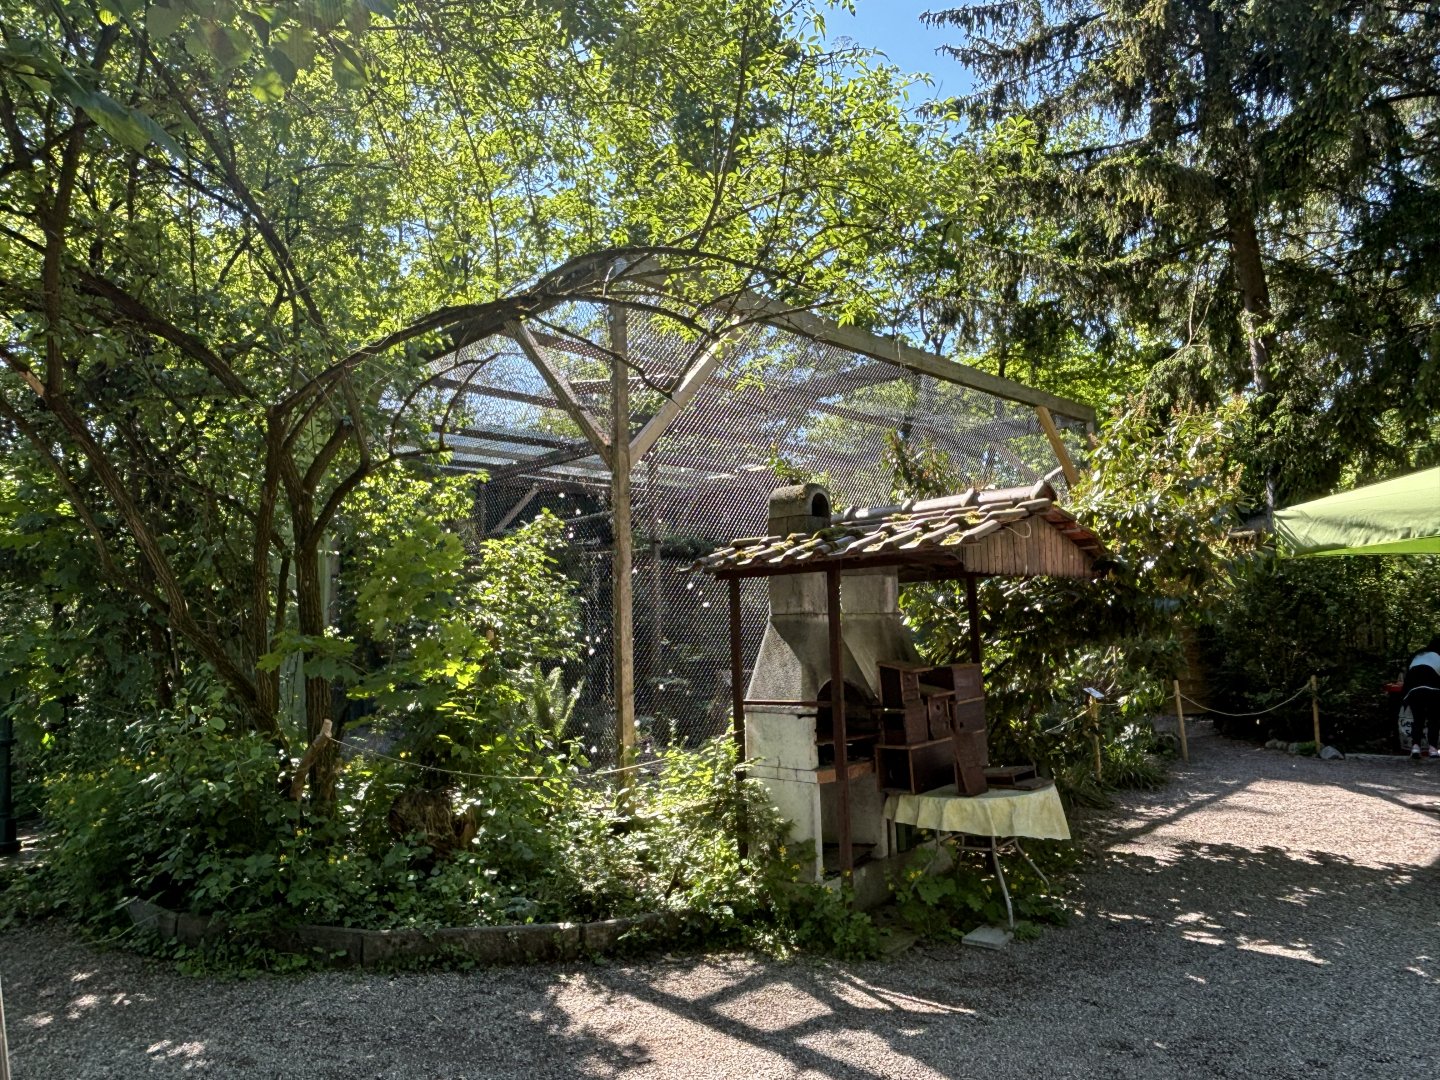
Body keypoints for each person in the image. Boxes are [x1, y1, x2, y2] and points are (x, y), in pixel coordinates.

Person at [1402, 636, 1440, 759]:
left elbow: (1406, 676)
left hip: (1413, 691)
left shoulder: (1418, 655)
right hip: (1432, 690)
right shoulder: (1438, 657)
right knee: (1434, 718)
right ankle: (1433, 749)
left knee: (1418, 719)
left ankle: (1415, 747)